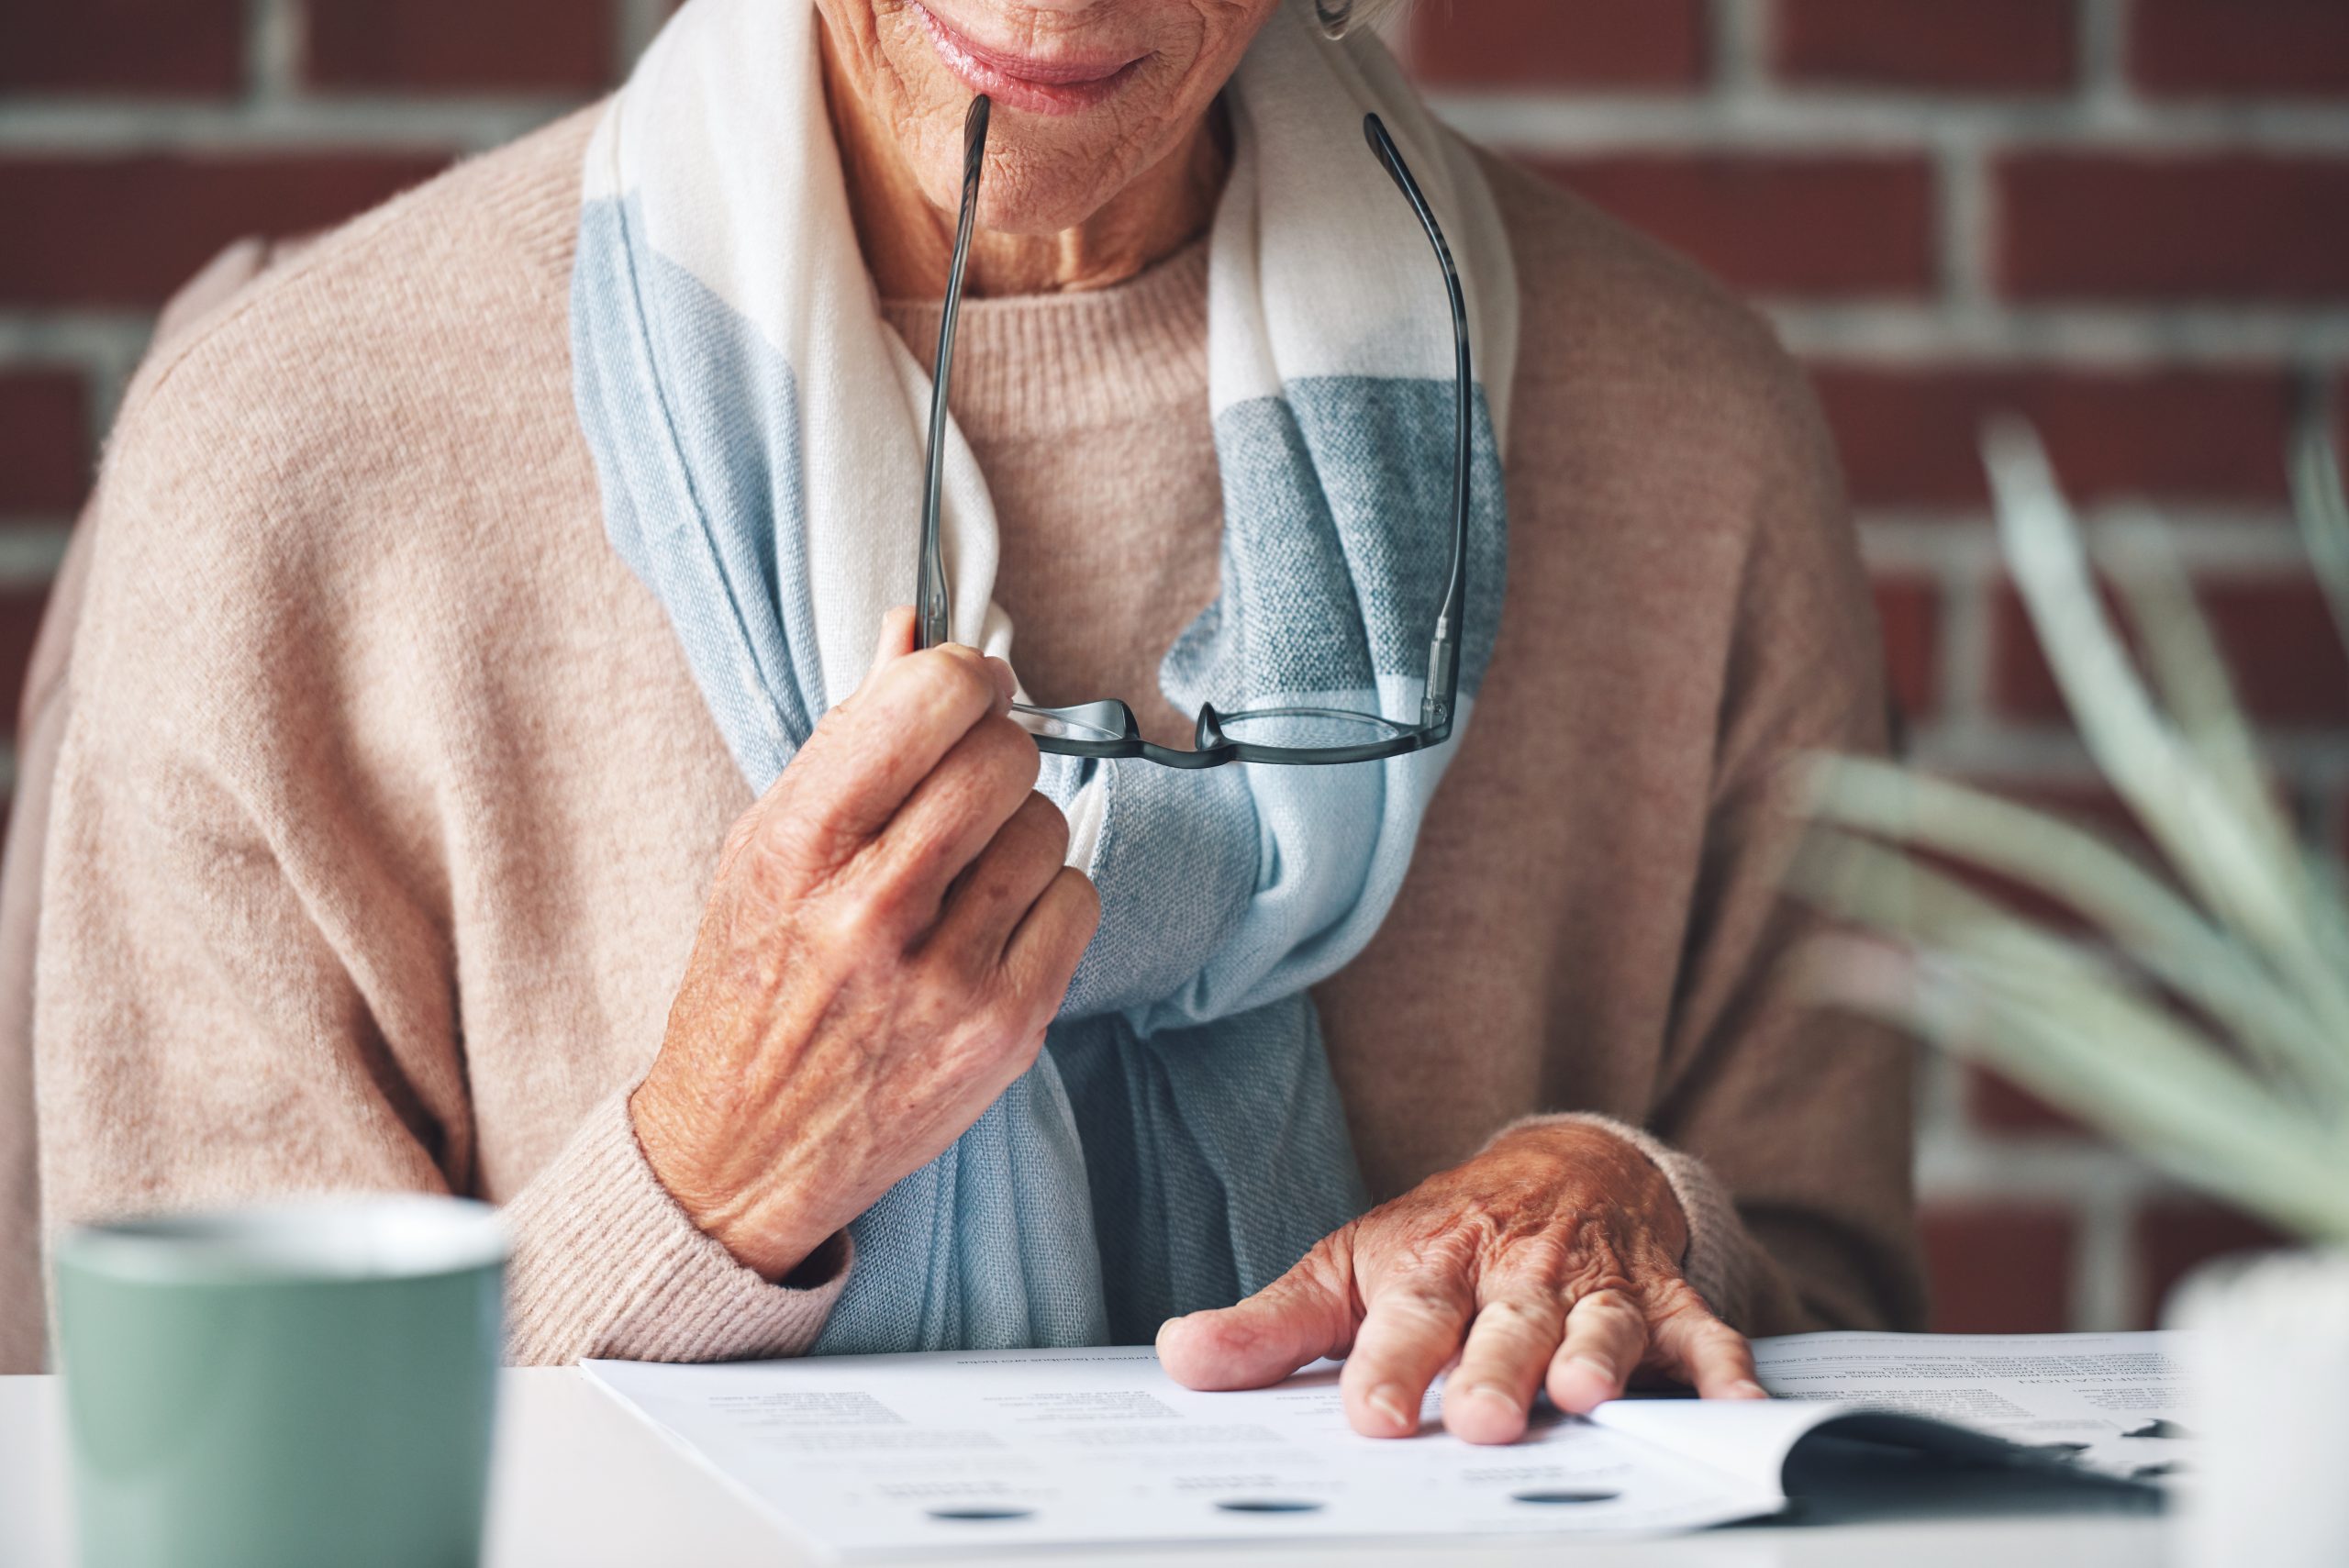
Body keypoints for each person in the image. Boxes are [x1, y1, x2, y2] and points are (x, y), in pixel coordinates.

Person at [25, 0, 1924, 1443]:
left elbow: (1855, 1339)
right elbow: (198, 1470)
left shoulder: (1694, 437)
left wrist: (1635, 1226)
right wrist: (704, 1185)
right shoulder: (285, 464)